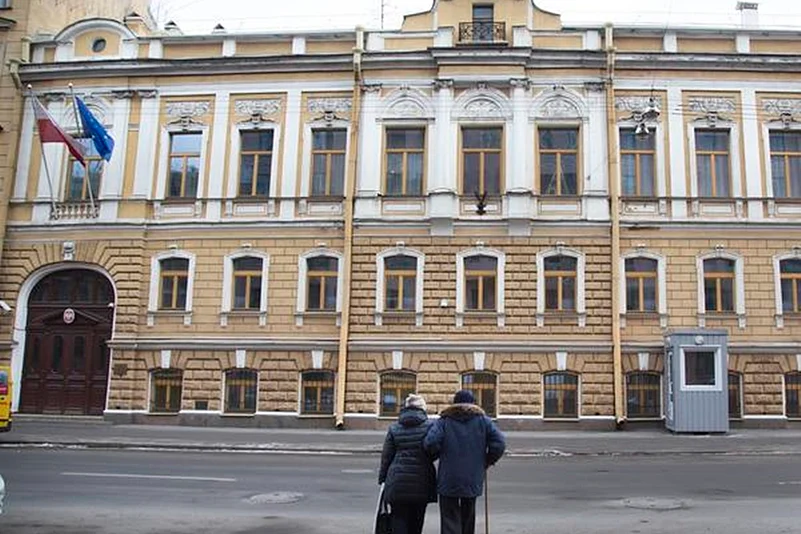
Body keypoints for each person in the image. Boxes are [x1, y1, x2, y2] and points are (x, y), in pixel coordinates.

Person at [423, 389, 506, 534]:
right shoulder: (484, 421)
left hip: (448, 477)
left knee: (449, 517)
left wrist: (437, 454)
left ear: (454, 403)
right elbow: (499, 443)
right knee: (468, 515)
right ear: (473, 403)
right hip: (473, 476)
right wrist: (488, 460)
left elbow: (430, 443)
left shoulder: (444, 421)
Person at [378, 393, 437, 534]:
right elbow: (434, 450)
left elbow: (386, 456)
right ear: (423, 408)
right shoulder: (430, 427)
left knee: (398, 519)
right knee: (417, 521)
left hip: (397, 481)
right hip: (422, 481)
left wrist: (383, 479)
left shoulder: (394, 428)